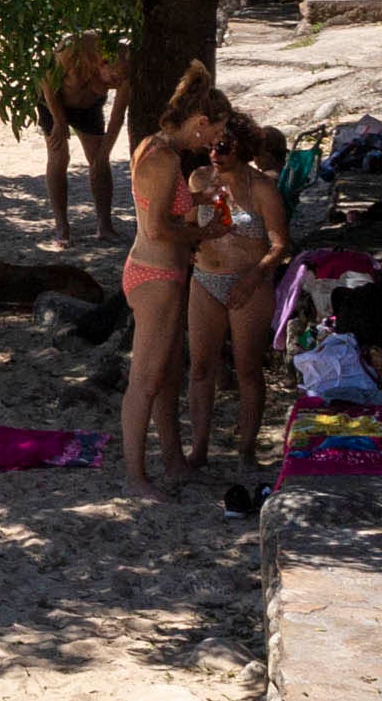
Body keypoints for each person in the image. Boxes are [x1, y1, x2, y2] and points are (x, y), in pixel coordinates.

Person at [118, 63, 230, 499]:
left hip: (159, 272)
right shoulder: (164, 159)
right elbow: (159, 228)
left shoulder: (154, 146)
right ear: (200, 122)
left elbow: (161, 208)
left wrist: (199, 200)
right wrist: (205, 232)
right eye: (212, 133)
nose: (212, 143)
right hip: (155, 275)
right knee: (145, 380)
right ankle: (135, 477)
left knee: (165, 376)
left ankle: (173, 461)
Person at [184, 120, 292, 474]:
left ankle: (246, 450)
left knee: (247, 369)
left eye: (225, 147)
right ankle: (198, 449)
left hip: (250, 283)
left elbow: (279, 245)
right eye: (213, 146)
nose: (216, 154)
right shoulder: (199, 180)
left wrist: (254, 276)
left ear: (243, 149)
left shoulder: (262, 188)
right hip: (205, 280)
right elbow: (186, 226)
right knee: (200, 368)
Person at [37, 31, 131, 244]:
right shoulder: (74, 47)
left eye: (118, 83)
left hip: (88, 107)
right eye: (113, 79)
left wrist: (104, 154)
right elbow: (46, 81)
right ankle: (62, 228)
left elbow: (117, 116)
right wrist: (59, 121)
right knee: (58, 156)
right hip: (54, 103)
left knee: (99, 160)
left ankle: (105, 226)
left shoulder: (126, 67)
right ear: (103, 63)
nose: (114, 86)